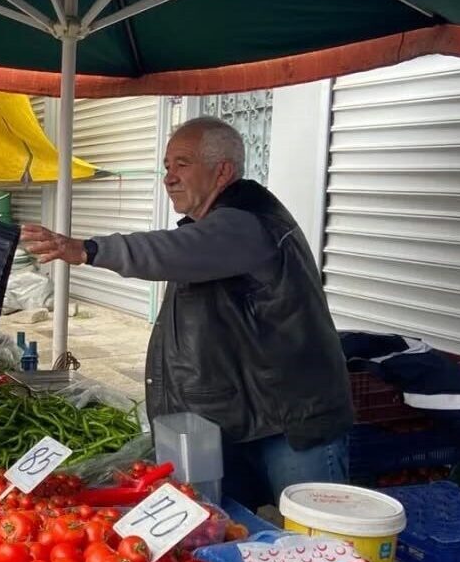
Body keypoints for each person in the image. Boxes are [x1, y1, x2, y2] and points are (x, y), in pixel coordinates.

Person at [21, 116, 354, 511]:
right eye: (166, 167)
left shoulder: (248, 222)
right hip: (245, 420)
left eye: (182, 164)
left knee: (320, 541)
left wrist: (88, 250)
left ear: (223, 171)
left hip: (294, 423)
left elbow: (171, 250)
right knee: (235, 533)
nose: (169, 178)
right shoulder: (214, 226)